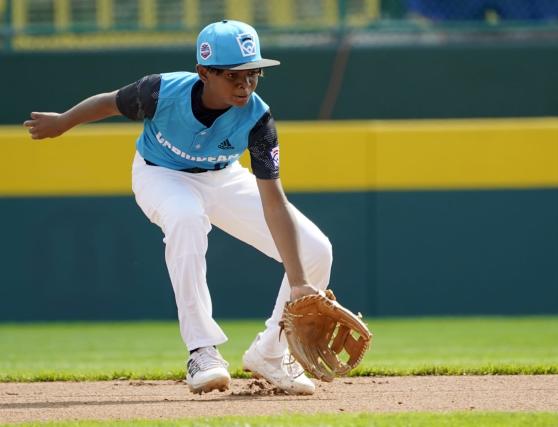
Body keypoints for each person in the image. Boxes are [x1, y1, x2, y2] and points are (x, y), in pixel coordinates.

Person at [23, 20, 333, 396]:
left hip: (222, 177)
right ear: (203, 72)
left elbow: (274, 201)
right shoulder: (160, 91)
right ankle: (201, 349)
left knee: (316, 250)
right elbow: (109, 101)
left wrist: (299, 281)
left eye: (253, 74)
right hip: (161, 175)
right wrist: (63, 122)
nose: (245, 84)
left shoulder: (258, 118)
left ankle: (271, 352)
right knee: (186, 218)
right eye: (233, 75)